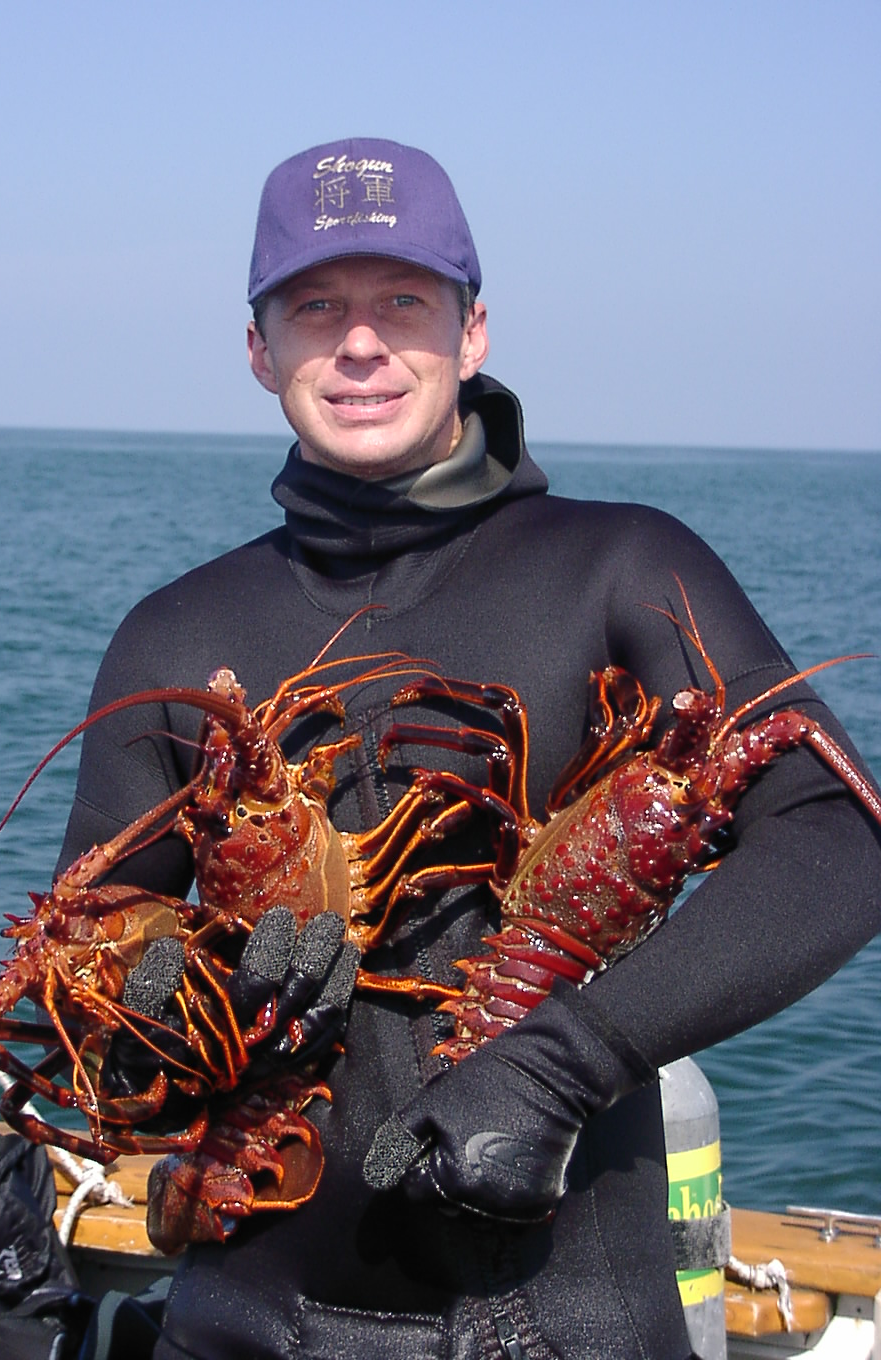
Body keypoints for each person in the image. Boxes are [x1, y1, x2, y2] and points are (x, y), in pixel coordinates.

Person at [57, 138, 881, 1359]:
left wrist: (569, 1059)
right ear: (257, 347)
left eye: (403, 301)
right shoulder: (174, 636)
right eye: (314, 306)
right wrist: (167, 1013)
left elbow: (837, 841)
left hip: (564, 1319)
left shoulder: (624, 567)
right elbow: (97, 959)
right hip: (239, 1318)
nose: (360, 342)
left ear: (474, 330)